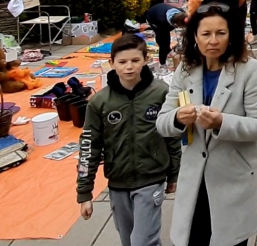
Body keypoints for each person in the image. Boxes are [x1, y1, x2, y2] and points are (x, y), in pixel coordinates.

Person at [157, 3, 257, 246]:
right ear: (195, 37)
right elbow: (162, 122)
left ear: (231, 36)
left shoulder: (250, 70)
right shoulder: (185, 70)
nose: (213, 40)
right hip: (195, 182)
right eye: (206, 34)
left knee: (230, 240)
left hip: (235, 181)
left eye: (221, 33)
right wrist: (178, 117)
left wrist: (222, 122)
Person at [77, 34, 180, 246]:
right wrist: (85, 192)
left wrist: (174, 174)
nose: (129, 67)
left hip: (151, 178)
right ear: (111, 63)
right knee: (128, 240)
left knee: (143, 241)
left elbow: (172, 136)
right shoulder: (100, 102)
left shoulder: (161, 93)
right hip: (118, 182)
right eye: (122, 62)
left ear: (146, 59)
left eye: (135, 60)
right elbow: (89, 146)